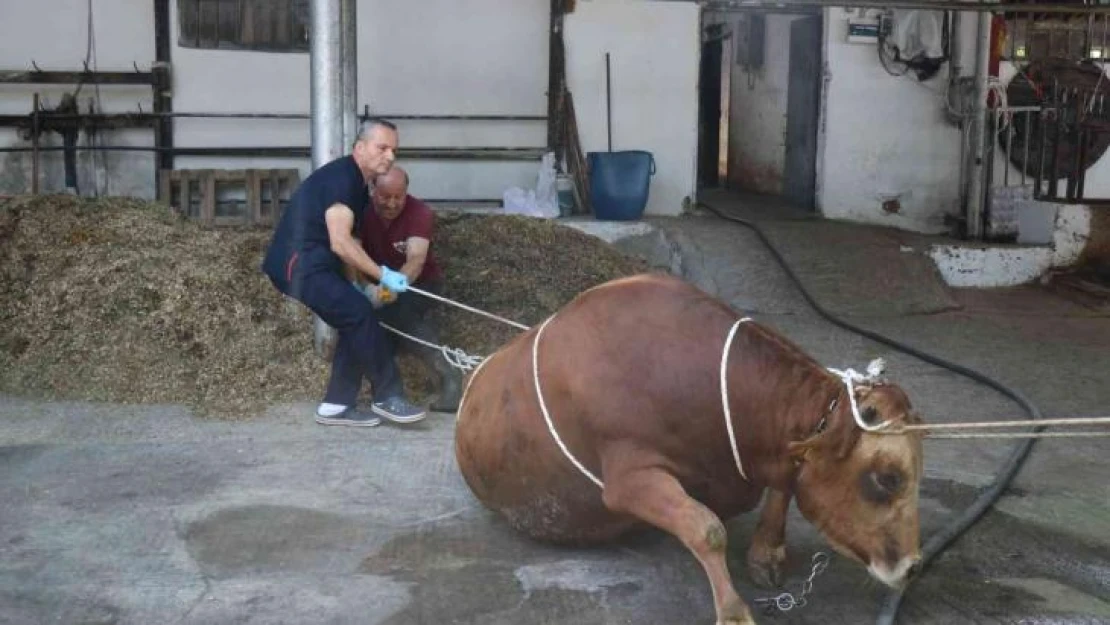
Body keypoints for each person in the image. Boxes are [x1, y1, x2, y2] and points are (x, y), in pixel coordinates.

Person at [261, 118, 426, 427]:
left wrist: (356, 285)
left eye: (394, 149)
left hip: (315, 263)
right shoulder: (343, 180)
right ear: (359, 148)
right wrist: (382, 275)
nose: (390, 156)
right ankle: (388, 397)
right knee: (359, 313)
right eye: (382, 147)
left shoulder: (357, 187)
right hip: (300, 264)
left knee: (356, 314)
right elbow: (340, 242)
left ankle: (336, 405)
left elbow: (351, 243)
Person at [359, 166, 463, 412]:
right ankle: (385, 387)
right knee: (378, 319)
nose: (392, 204)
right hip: (374, 281)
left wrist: (391, 289)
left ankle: (449, 375)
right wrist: (364, 287)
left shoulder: (419, 212)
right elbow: (351, 255)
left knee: (397, 313)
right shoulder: (360, 212)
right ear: (373, 189)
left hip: (421, 284)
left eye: (399, 196)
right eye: (385, 197)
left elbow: (416, 260)